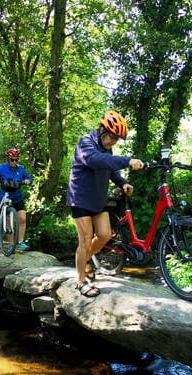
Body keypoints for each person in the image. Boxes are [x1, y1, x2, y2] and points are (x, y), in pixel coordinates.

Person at [67, 111, 144, 297]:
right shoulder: (85, 142)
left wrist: (122, 182)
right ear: (102, 130)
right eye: (112, 137)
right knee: (85, 239)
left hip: (98, 198)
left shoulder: (107, 148)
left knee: (104, 235)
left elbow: (109, 169)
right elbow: (94, 160)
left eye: (117, 139)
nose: (114, 142)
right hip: (80, 197)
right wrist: (127, 161)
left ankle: (84, 260)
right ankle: (80, 281)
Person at [0, 148, 32, 251]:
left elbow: (28, 178)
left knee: (22, 219)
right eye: (12, 160)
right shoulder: (3, 168)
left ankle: (21, 242)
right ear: (8, 159)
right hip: (6, 199)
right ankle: (11, 245)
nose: (14, 162)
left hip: (18, 198)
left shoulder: (21, 169)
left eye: (16, 160)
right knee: (8, 223)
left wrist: (28, 181)